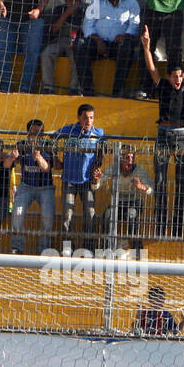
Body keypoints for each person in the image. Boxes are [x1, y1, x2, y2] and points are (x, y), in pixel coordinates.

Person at [142, 24, 184, 238]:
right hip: (163, 133)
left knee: (181, 182)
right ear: (169, 77)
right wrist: (147, 47)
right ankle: (161, 228)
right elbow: (152, 69)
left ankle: (178, 230)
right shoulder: (162, 86)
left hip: (181, 135)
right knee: (160, 182)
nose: (178, 79)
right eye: (175, 76)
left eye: (180, 76)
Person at [78, 0, 141, 97]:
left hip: (119, 44)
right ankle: (87, 91)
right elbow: (87, 26)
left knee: (127, 48)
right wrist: (98, 41)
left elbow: (135, 25)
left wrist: (125, 36)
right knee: (80, 46)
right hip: (99, 43)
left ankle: (117, 92)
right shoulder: (95, 3)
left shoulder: (131, 3)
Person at [53, 103, 105, 254]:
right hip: (69, 179)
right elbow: (51, 140)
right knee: (66, 215)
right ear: (78, 118)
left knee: (90, 213)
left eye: (91, 118)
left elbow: (102, 153)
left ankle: (88, 246)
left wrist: (97, 165)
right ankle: (67, 247)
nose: (88, 121)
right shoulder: (68, 130)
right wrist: (55, 158)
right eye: (85, 118)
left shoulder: (99, 134)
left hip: (87, 181)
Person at [10, 119, 56, 254]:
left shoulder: (48, 145)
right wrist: (12, 157)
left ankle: (44, 249)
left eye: (41, 133)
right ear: (28, 133)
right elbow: (7, 164)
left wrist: (39, 157)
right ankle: (17, 248)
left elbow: (47, 168)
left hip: (46, 187)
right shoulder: (21, 145)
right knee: (17, 213)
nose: (38, 136)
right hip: (26, 186)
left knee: (47, 217)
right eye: (35, 133)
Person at [99, 145, 153, 255]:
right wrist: (96, 180)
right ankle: (109, 248)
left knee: (131, 214)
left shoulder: (139, 171)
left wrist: (141, 186)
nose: (130, 161)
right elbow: (98, 183)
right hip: (117, 202)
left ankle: (137, 251)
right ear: (120, 159)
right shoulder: (113, 168)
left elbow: (151, 190)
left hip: (135, 202)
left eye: (132, 158)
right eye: (126, 158)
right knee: (108, 214)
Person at [38, 0, 82, 95]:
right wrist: (66, 14)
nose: (73, 3)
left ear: (80, 2)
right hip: (59, 40)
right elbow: (54, 29)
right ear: (66, 0)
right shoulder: (59, 10)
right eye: (70, 0)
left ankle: (74, 88)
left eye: (76, 1)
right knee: (46, 53)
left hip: (75, 42)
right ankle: (48, 88)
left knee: (76, 54)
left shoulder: (83, 13)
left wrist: (74, 41)